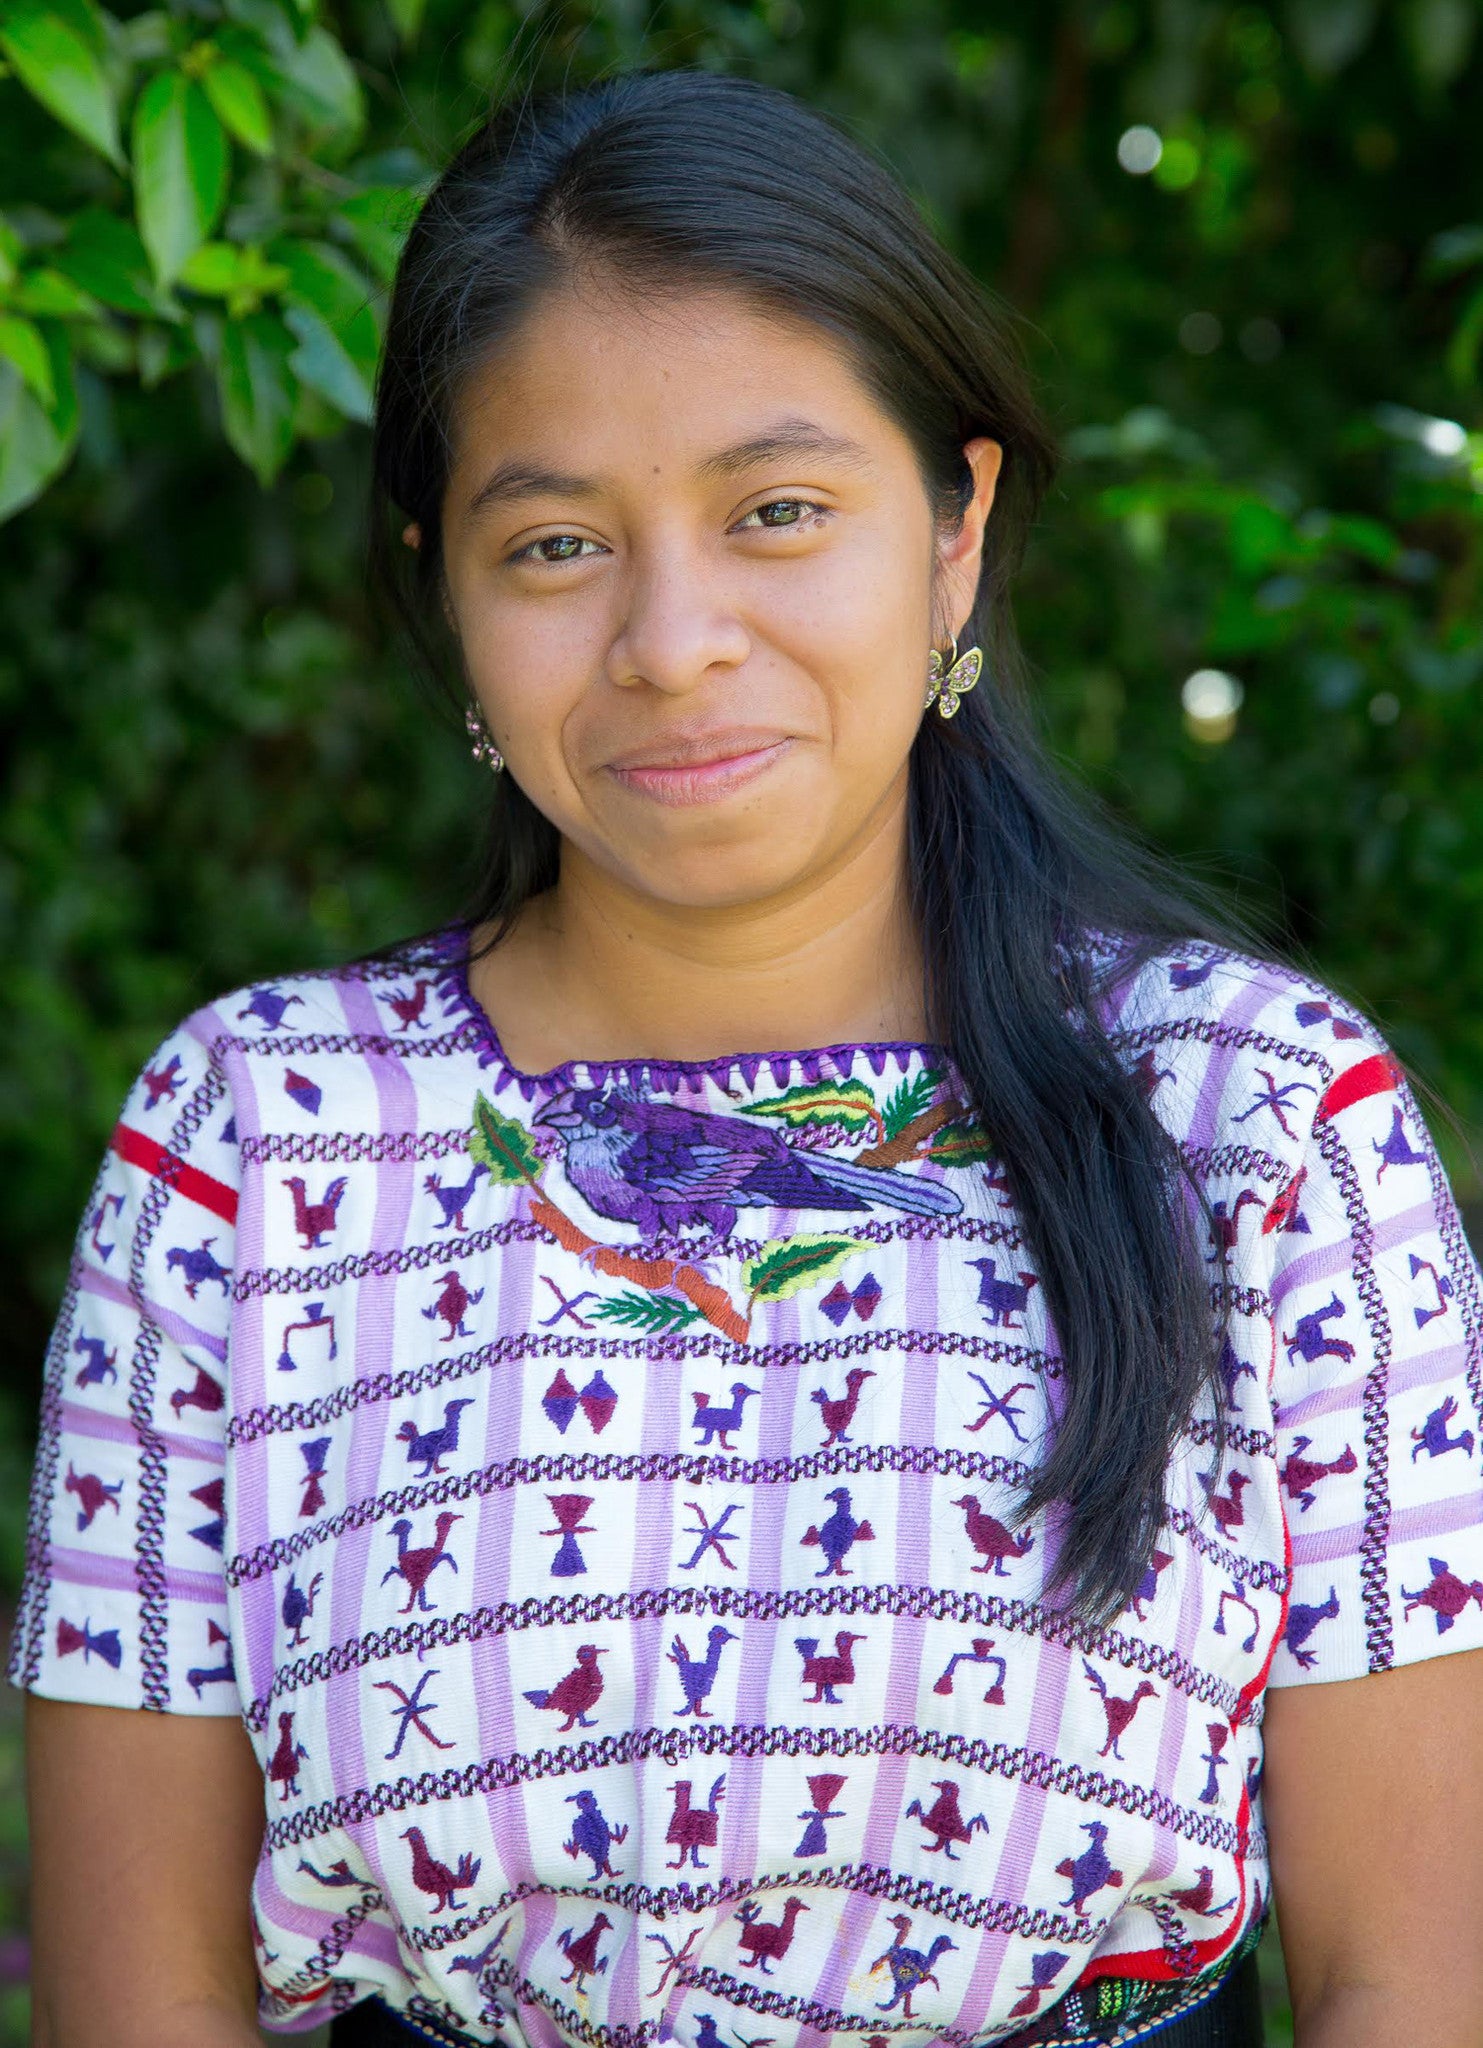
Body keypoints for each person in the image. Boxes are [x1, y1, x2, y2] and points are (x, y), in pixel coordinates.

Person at [15, 66, 1483, 2048]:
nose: (672, 636)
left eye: (777, 511)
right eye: (552, 547)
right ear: (445, 593)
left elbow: (1414, 1975)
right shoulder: (257, 1143)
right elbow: (147, 1995)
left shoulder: (1255, 1124)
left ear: (954, 531)